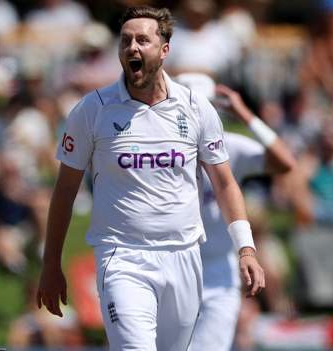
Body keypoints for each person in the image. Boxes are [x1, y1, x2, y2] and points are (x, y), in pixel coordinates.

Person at [35, 6, 265, 351]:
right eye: (126, 41)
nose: (132, 48)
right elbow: (65, 191)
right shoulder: (92, 110)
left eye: (143, 40)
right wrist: (51, 263)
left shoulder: (196, 107)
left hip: (185, 255)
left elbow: (225, 183)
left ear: (165, 49)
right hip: (122, 257)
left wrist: (245, 248)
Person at [175, 73, 295, 351]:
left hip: (219, 271)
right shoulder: (158, 148)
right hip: (173, 265)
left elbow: (286, 162)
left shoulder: (230, 146)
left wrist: (245, 114)